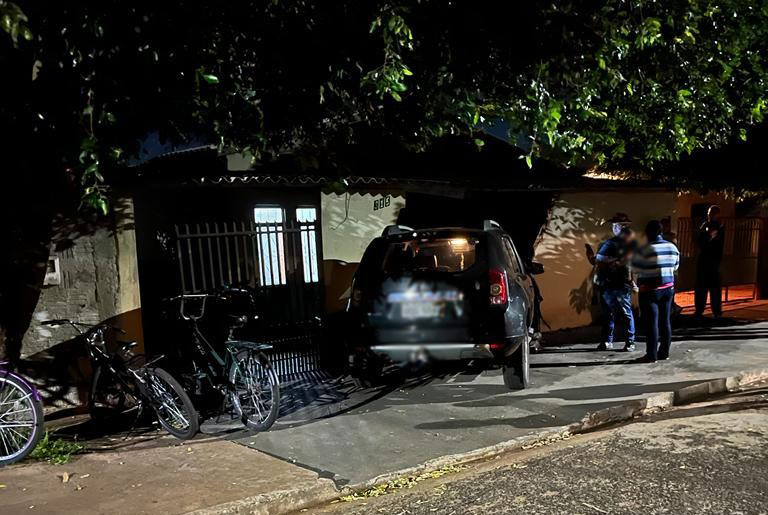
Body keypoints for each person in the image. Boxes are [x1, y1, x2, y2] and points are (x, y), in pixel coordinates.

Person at [632, 220, 680, 362]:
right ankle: (664, 352)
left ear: (647, 233)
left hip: (649, 290)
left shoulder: (643, 250)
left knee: (651, 322)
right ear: (661, 232)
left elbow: (636, 269)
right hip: (668, 289)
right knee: (665, 321)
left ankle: (651, 354)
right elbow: (676, 267)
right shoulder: (672, 247)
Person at [594, 226, 637, 352]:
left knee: (609, 314)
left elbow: (597, 263)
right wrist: (631, 283)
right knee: (626, 314)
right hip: (620, 285)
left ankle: (607, 341)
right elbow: (628, 268)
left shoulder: (607, 244)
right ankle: (630, 342)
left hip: (608, 285)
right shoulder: (626, 247)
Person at [695, 205, 725, 317]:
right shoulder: (705, 225)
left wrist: (708, 236)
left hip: (713, 262)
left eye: (711, 213)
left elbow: (706, 240)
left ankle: (716, 311)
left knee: (714, 288)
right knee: (702, 288)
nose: (709, 215)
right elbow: (699, 241)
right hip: (705, 261)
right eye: (709, 213)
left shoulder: (719, 226)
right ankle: (700, 309)